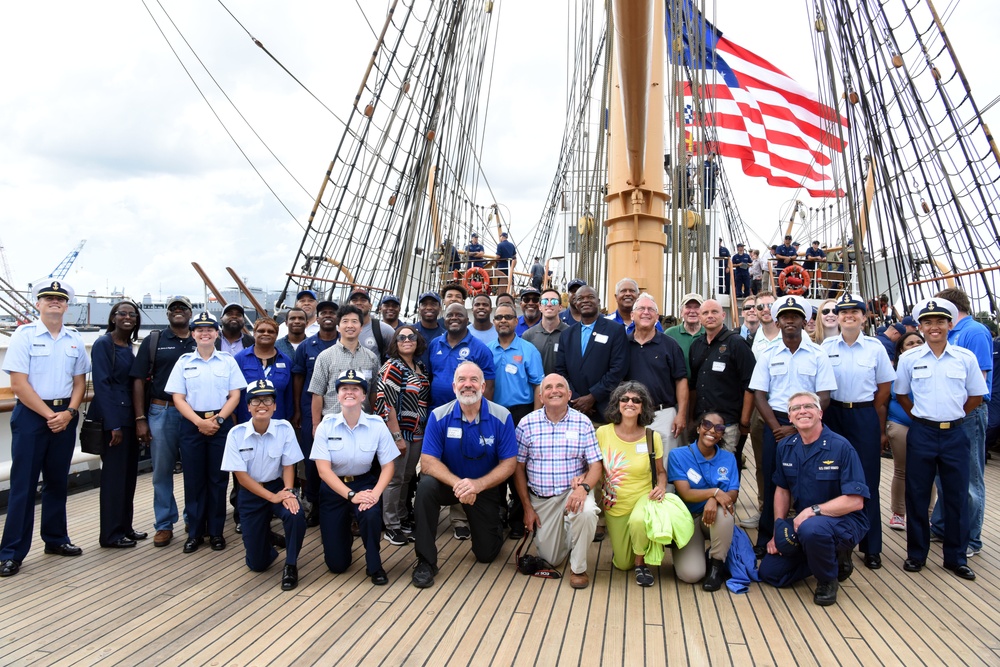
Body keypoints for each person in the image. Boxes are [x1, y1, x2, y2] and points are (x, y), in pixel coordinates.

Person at [0, 281, 90, 578]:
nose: (54, 302)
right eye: (48, 298)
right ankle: (11, 552)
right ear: (38, 304)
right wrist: (51, 415)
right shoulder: (24, 336)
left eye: (60, 299)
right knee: (23, 485)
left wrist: (69, 413)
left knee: (56, 482)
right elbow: (18, 384)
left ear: (67, 306)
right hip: (32, 416)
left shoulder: (74, 340)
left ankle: (55, 539)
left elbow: (80, 382)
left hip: (65, 414)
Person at [895, 297, 987, 580]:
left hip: (955, 433)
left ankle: (956, 557)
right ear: (920, 327)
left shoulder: (965, 358)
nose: (934, 327)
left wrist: (955, 415)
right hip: (922, 432)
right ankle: (916, 554)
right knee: (917, 494)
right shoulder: (909, 358)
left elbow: (976, 396)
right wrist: (920, 417)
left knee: (957, 495)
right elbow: (901, 394)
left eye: (939, 322)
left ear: (950, 324)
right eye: (928, 323)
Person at [411, 362, 517, 588]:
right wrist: (460, 485)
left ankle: (495, 521)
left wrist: (477, 485)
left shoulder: (502, 415)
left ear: (483, 384)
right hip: (450, 485)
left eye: (473, 380)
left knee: (486, 554)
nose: (467, 385)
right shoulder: (439, 415)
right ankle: (425, 562)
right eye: (462, 380)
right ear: (453, 386)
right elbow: (428, 462)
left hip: (483, 487)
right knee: (425, 488)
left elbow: (509, 463)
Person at [758, 391, 870, 606]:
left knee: (813, 529)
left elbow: (856, 501)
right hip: (807, 524)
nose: (802, 411)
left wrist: (813, 511)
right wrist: (777, 530)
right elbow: (782, 490)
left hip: (845, 521)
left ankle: (827, 580)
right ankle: (832, 559)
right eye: (795, 408)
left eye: (808, 406)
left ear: (820, 413)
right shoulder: (785, 447)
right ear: (789, 418)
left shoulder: (841, 447)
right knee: (770, 572)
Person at [749, 295, 837, 552]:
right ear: (777, 322)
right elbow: (759, 394)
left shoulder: (818, 354)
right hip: (775, 421)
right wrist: (776, 427)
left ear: (804, 320)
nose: (790, 320)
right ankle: (766, 537)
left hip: (809, 424)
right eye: (785, 316)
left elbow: (824, 395)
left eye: (795, 316)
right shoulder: (767, 354)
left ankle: (810, 536)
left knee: (810, 480)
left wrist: (800, 425)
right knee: (772, 480)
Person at [820, 294, 895, 569]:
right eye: (843, 312)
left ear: (865, 317)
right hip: (832, 414)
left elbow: (885, 386)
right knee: (831, 478)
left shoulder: (875, 349)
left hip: (863, 414)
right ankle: (835, 542)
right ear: (837, 317)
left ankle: (872, 546)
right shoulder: (826, 347)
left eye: (855, 312)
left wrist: (866, 410)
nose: (848, 315)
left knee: (867, 480)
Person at [165, 312, 245, 554]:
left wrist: (218, 419)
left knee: (218, 480)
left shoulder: (228, 361)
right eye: (199, 330)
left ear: (216, 333)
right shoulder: (184, 362)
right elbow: (178, 398)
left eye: (209, 329)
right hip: (192, 425)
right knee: (194, 480)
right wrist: (199, 422)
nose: (204, 333)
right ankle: (195, 533)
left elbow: (235, 395)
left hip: (220, 424)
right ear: (193, 334)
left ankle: (217, 532)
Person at [514, 373, 603, 589]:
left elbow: (596, 465)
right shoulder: (527, 423)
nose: (555, 390)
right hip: (542, 500)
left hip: (573, 493)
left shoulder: (583, 422)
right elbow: (518, 468)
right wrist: (526, 507)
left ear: (569, 394)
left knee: (588, 512)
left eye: (560, 386)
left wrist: (583, 488)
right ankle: (570, 530)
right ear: (541, 396)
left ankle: (578, 568)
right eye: (549, 388)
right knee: (552, 559)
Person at [311, 370, 398, 584]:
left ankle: (374, 564)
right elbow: (323, 471)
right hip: (334, 489)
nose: (349, 392)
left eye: (355, 389)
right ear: (338, 395)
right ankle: (343, 536)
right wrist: (351, 496)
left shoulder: (376, 425)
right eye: (344, 389)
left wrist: (375, 494)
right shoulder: (326, 425)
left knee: (369, 514)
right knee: (337, 565)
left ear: (363, 396)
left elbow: (388, 466)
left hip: (365, 484)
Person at [221, 380, 306, 591]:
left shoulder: (284, 428)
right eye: (256, 400)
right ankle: (267, 539)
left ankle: (291, 565)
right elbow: (241, 478)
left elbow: (288, 465)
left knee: (295, 514)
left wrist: (287, 492)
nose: (262, 405)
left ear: (275, 405)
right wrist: (272, 497)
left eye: (267, 399)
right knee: (257, 564)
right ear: (248, 407)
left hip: (277, 485)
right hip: (250, 493)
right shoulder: (236, 434)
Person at [929, 288, 992, 559]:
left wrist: (960, 412)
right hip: (943, 416)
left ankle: (971, 538)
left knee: (969, 479)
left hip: (967, 414)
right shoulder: (952, 334)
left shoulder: (974, 332)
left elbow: (979, 379)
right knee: (943, 474)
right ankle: (943, 526)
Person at [130, 295, 197, 548]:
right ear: (168, 314)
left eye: (183, 308)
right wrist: (140, 418)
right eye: (173, 309)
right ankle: (164, 523)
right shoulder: (154, 341)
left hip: (193, 413)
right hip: (162, 411)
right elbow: (137, 380)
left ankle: (193, 517)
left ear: (191, 313)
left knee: (194, 468)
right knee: (161, 470)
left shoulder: (200, 338)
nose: (178, 312)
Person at [596, 382, 666, 586]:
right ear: (617, 404)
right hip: (614, 505)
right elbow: (593, 467)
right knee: (622, 563)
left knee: (638, 523)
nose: (630, 403)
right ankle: (634, 557)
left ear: (643, 406)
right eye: (625, 399)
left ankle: (641, 563)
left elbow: (661, 472)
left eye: (637, 400)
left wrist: (661, 487)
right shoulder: (603, 433)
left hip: (644, 499)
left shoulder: (652, 437)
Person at [232, 316, 295, 530]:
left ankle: (271, 509)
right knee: (245, 469)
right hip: (247, 424)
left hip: (277, 424)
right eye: (261, 331)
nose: (266, 334)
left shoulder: (285, 360)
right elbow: (234, 393)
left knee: (273, 468)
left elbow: (288, 394)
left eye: (271, 331)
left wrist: (290, 420)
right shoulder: (241, 359)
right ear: (254, 333)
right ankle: (243, 515)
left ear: (276, 335)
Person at [92, 300, 145, 549]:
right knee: (114, 479)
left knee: (128, 477)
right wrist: (113, 425)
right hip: (114, 420)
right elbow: (101, 385)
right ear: (113, 317)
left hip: (129, 420)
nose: (127, 317)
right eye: (121, 313)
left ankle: (125, 527)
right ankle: (111, 534)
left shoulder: (128, 346)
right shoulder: (105, 344)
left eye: (132, 314)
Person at [489, 303, 544, 538]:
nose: (503, 320)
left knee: (520, 466)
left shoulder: (528, 349)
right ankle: (498, 512)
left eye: (508, 317)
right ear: (494, 322)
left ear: (515, 321)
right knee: (495, 465)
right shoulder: (486, 349)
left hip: (522, 413)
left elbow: (538, 384)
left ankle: (518, 518)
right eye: (499, 317)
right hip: (493, 414)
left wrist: (535, 418)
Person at [668, 412, 739, 591]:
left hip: (714, 518)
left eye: (719, 428)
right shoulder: (678, 455)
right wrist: (714, 493)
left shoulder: (728, 458)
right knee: (691, 575)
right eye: (707, 424)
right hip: (688, 519)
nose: (712, 430)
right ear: (698, 428)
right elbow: (686, 494)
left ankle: (717, 566)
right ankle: (698, 557)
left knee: (725, 513)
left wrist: (714, 501)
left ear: (722, 434)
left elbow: (733, 493)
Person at [374, 326, 430, 546]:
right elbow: (385, 404)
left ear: (418, 341)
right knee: (394, 479)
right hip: (397, 432)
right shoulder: (392, 367)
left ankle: (402, 516)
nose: (407, 340)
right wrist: (396, 436)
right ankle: (391, 525)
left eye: (411, 337)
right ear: (395, 343)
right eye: (401, 337)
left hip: (417, 431)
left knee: (407, 477)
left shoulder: (420, 366)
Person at [291, 300, 339, 526]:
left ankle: (337, 504)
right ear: (317, 318)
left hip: (340, 409)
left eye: (332, 312)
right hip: (311, 410)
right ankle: (315, 505)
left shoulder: (345, 343)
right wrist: (298, 410)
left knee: (339, 457)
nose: (328, 316)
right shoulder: (306, 346)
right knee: (312, 458)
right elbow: (298, 377)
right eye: (323, 313)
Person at [625, 293, 688, 464]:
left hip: (664, 414)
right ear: (632, 315)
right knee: (634, 464)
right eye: (641, 309)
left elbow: (681, 380)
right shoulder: (622, 345)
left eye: (651, 309)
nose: (646, 312)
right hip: (631, 414)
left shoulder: (670, 345)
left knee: (666, 465)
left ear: (657, 317)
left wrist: (681, 414)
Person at [554, 285, 629, 423]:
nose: (585, 301)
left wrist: (592, 397)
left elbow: (618, 369)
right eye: (580, 298)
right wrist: (576, 400)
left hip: (604, 410)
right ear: (575, 303)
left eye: (590, 297)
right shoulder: (567, 335)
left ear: (598, 301)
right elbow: (561, 370)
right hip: (574, 409)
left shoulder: (615, 330)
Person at [689, 299, 755, 454]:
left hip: (728, 424)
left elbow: (750, 384)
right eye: (705, 313)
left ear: (723, 315)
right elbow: (693, 385)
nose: (710, 316)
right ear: (700, 317)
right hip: (702, 422)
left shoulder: (737, 343)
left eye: (714, 312)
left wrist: (745, 421)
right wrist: (691, 418)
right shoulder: (696, 345)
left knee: (726, 469)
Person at [308, 304, 381, 424]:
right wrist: (316, 425)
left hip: (363, 423)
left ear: (361, 327)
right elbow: (317, 394)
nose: (350, 326)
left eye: (354, 321)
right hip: (331, 423)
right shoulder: (325, 356)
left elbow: (373, 393)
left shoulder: (372, 358)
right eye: (345, 321)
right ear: (338, 327)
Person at [886, 331, 924, 531]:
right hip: (901, 423)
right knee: (902, 469)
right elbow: (891, 396)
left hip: (927, 425)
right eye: (910, 343)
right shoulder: (895, 370)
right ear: (901, 349)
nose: (916, 345)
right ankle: (899, 513)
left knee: (928, 470)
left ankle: (927, 512)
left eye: (919, 342)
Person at [427, 303, 496, 408]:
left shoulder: (481, 349)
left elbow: (488, 386)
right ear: (444, 319)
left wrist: (481, 414)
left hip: (467, 411)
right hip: (435, 410)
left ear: (467, 319)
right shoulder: (434, 344)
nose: (454, 318)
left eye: (459, 315)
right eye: (450, 315)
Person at [523, 287, 569, 376]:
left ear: (560, 307)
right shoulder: (528, 335)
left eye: (554, 301)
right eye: (544, 301)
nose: (549, 304)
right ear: (540, 307)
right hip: (537, 387)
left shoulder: (570, 333)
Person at [348, 288, 396, 363]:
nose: (359, 303)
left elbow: (397, 355)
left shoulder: (383, 329)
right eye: (354, 300)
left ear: (370, 305)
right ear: (349, 305)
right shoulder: (340, 329)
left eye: (363, 300)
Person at [664, 292, 705, 379]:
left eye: (697, 307)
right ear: (681, 312)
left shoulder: (709, 334)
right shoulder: (670, 334)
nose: (692, 311)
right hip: (676, 388)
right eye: (688, 307)